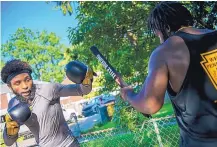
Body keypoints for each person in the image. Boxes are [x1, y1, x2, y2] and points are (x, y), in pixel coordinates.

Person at [118, 2, 217, 147]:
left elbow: (150, 104)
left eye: (157, 33)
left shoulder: (165, 51)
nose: (159, 38)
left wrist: (128, 95)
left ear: (165, 28)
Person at [1, 59, 94, 147]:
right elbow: (8, 142)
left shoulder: (48, 89)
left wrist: (86, 80)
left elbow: (81, 90)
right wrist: (9, 133)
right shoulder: (13, 104)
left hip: (68, 144)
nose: (25, 86)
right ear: (10, 87)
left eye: (27, 79)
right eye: (17, 83)